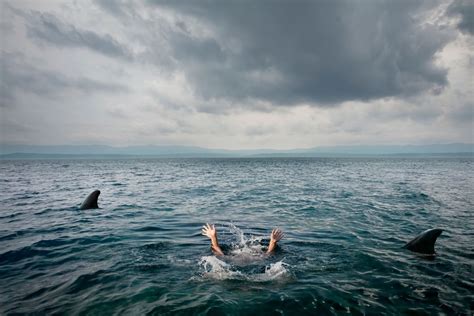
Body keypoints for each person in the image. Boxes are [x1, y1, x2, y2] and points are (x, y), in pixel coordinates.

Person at [201, 223, 283, 256]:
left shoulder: (230, 258)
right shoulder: (258, 257)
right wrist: (272, 241)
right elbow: (269, 253)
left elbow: (217, 251)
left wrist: (213, 237)